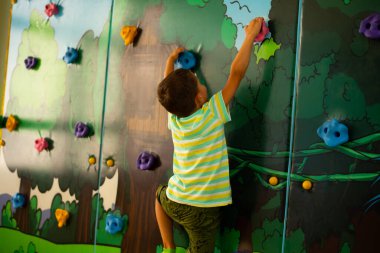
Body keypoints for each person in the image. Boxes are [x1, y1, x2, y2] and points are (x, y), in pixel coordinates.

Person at [155, 17, 264, 253]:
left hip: (175, 200)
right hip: (202, 209)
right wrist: (249, 37)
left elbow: (167, 88)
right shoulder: (212, 113)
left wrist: (170, 60)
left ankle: (167, 246)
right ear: (200, 98)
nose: (200, 82)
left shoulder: (175, 119)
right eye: (198, 82)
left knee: (158, 198)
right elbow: (236, 74)